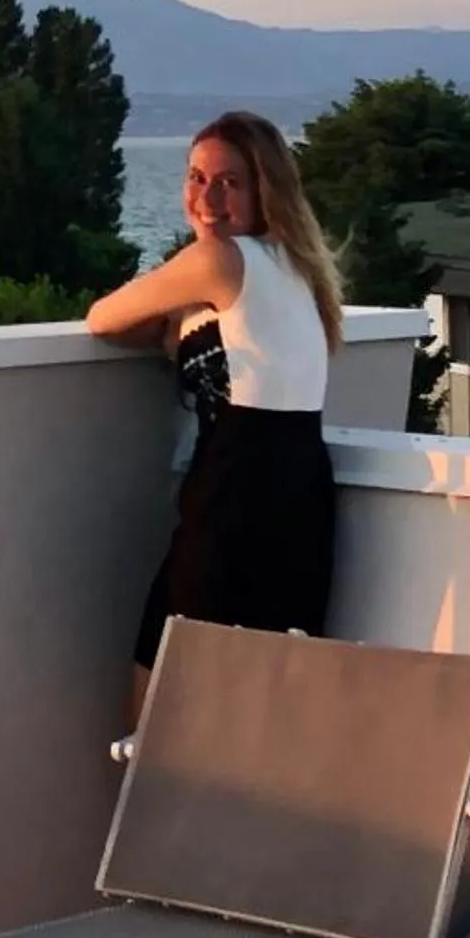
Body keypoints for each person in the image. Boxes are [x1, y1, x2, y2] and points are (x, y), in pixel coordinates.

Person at [85, 109, 344, 727]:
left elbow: (102, 318)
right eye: (196, 178)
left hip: (234, 497)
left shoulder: (218, 261)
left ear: (265, 190)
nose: (207, 198)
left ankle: (157, 823)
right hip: (302, 495)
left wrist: (171, 324)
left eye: (229, 182)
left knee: (163, 701)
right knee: (257, 710)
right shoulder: (297, 270)